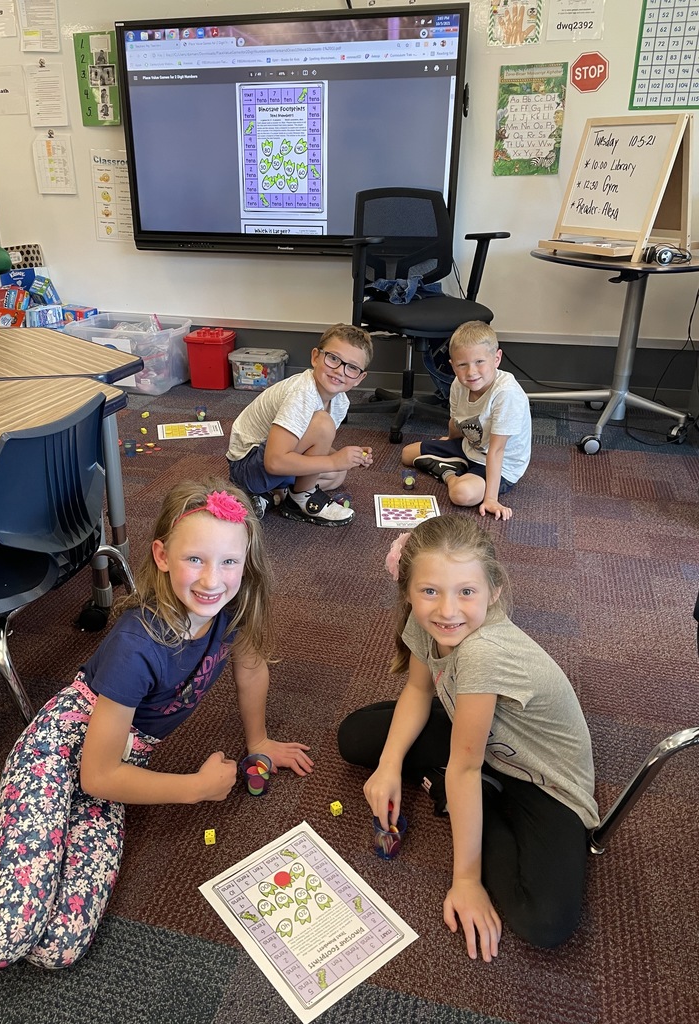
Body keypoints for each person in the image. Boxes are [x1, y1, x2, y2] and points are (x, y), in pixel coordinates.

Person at [0, 479, 312, 970]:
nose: (212, 580)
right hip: (56, 758)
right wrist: (195, 787)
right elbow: (97, 775)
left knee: (56, 947)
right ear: (161, 555)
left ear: (246, 562)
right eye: (195, 559)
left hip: (116, 768)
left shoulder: (233, 606)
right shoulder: (138, 644)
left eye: (229, 562)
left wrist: (258, 740)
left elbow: (251, 666)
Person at [338, 516, 598, 961]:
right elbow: (419, 690)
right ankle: (464, 794)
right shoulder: (431, 624)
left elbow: (465, 764)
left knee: (544, 921)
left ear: (494, 590)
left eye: (466, 591)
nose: (447, 610)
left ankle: (462, 796)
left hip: (543, 779)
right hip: (482, 734)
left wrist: (466, 881)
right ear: (408, 590)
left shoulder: (482, 651)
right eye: (429, 591)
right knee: (357, 738)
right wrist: (389, 765)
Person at [226, 323, 374, 526]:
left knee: (339, 474)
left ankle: (272, 496)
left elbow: (314, 441)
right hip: (247, 467)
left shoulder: (341, 402)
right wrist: (334, 461)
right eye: (333, 358)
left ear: (360, 378)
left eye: (352, 368)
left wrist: (346, 458)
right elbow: (274, 462)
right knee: (325, 432)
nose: (340, 371)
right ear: (315, 357)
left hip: (273, 459)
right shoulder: (302, 393)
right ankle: (300, 499)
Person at [401, 321, 531, 521]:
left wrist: (491, 499)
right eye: (462, 365)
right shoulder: (458, 384)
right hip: (469, 446)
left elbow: (497, 450)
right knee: (407, 454)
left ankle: (448, 473)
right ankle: (457, 464)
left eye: (480, 362)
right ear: (453, 365)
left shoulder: (507, 394)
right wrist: (449, 441)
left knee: (461, 494)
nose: (471, 372)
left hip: (500, 463)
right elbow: (457, 421)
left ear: (496, 359)